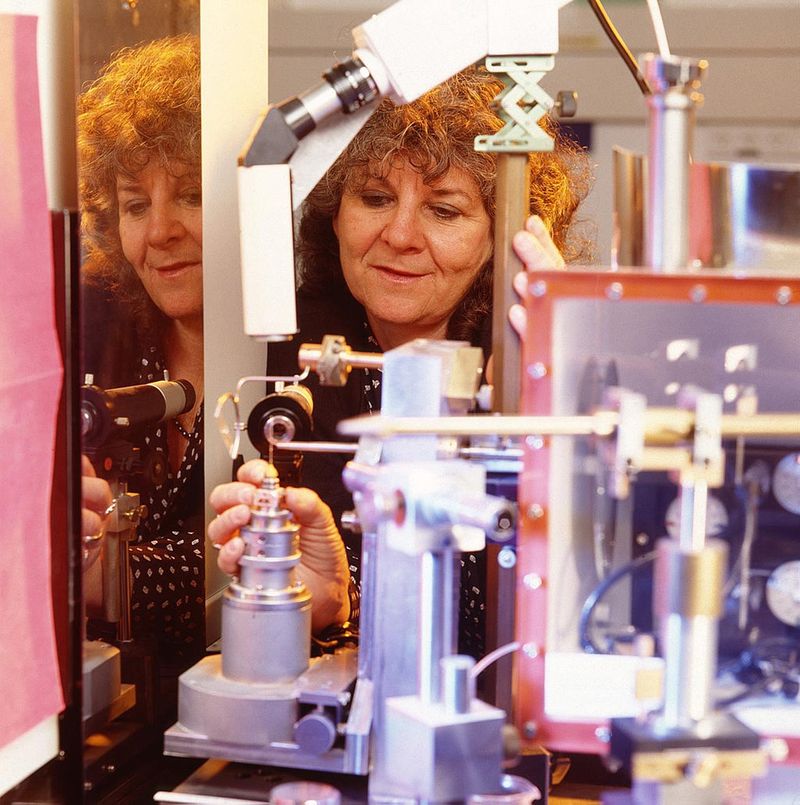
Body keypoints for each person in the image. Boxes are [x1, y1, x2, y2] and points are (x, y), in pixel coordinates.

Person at [210, 67, 592, 658]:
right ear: (334, 211)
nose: (401, 235)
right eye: (375, 197)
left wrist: (567, 384)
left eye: (444, 211)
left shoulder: (529, 367)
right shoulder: (285, 344)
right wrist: (334, 600)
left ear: (503, 238)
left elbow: (545, 612)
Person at [77, 34, 349, 672]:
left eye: (193, 195)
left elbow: (293, 574)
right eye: (136, 206)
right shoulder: (100, 328)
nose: (162, 232)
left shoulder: (315, 353)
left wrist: (81, 572)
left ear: (247, 203)